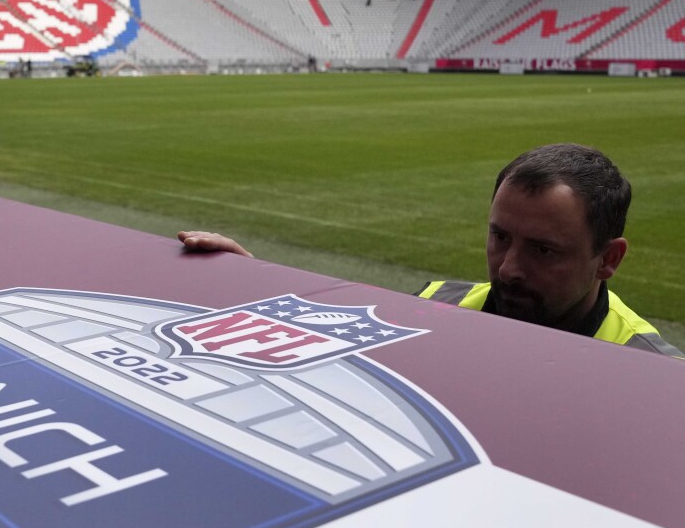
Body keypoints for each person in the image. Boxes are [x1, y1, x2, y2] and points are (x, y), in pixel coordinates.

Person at [179, 143, 681, 356]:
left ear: (609, 259)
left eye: (543, 251)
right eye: (499, 237)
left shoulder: (654, 374)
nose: (508, 269)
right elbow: (339, 350)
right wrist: (251, 280)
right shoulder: (436, 303)